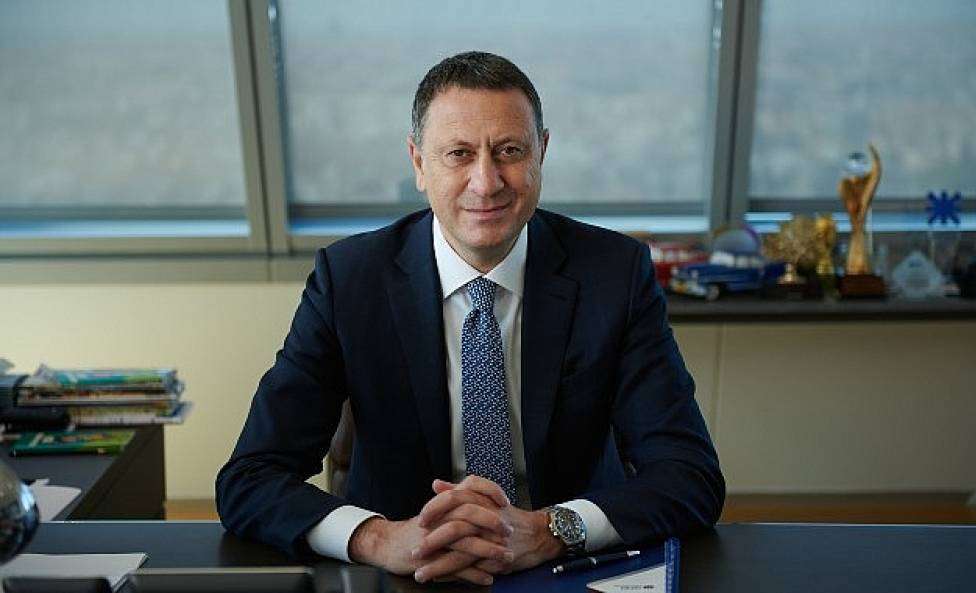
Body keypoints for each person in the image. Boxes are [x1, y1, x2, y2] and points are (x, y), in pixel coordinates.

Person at [216, 51, 724, 586]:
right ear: (418, 163)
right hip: (402, 572)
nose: (486, 182)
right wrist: (380, 538)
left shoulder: (613, 274)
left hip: (566, 566)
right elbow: (251, 477)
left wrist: (551, 529)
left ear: (541, 153)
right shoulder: (349, 280)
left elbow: (689, 474)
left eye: (509, 151)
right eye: (459, 154)